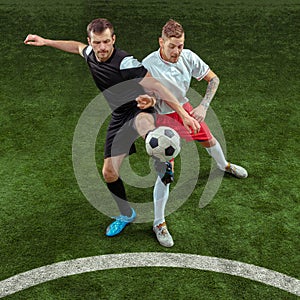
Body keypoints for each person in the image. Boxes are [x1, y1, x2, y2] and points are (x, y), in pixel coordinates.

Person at [24, 18, 200, 238]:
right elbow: (76, 47)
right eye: (97, 43)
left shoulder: (125, 62)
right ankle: (126, 214)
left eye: (107, 41)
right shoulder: (90, 54)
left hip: (139, 107)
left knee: (143, 122)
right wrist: (46, 41)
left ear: (113, 39)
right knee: (109, 173)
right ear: (91, 41)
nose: (103, 48)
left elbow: (156, 85)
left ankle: (161, 162)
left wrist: (182, 114)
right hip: (119, 116)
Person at [142, 19, 248, 247]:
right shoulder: (148, 64)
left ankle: (224, 165)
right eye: (172, 46)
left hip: (186, 110)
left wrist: (203, 107)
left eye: (180, 46)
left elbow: (214, 79)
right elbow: (143, 100)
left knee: (209, 139)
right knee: (166, 173)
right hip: (162, 119)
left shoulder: (188, 56)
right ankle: (158, 223)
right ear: (161, 42)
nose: (177, 51)